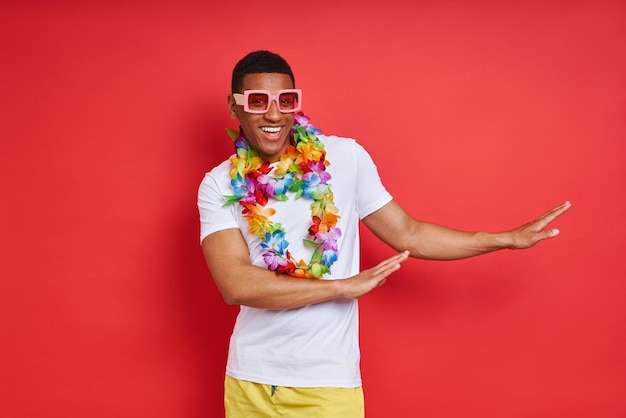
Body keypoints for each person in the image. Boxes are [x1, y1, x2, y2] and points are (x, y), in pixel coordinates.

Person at [197, 50, 571, 418]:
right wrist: (341, 287)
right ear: (234, 106)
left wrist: (504, 239)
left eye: (286, 100)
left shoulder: (344, 158)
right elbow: (235, 284)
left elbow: (409, 234)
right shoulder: (219, 183)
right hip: (249, 380)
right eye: (258, 101)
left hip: (327, 384)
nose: (275, 114)